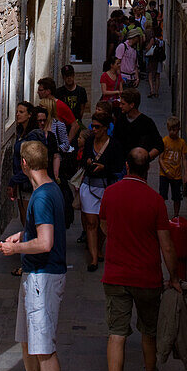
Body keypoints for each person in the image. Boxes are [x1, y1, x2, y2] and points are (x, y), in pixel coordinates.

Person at [99, 148, 181, 371]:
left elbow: (104, 226)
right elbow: (166, 245)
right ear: (149, 169)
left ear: (126, 166)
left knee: (116, 334)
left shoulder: (110, 194)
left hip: (115, 274)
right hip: (147, 277)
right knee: (148, 331)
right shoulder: (155, 200)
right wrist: (174, 277)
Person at [0, 140, 67, 371]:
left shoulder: (40, 198)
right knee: (28, 340)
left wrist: (15, 250)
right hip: (36, 277)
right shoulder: (50, 189)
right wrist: (22, 234)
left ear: (24, 164)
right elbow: (42, 230)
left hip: (43, 278)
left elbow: (45, 242)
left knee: (44, 348)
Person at [79, 111, 124, 272]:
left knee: (103, 223)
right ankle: (93, 258)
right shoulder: (90, 140)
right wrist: (88, 161)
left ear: (105, 128)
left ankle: (98, 248)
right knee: (91, 223)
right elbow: (83, 160)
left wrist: (105, 167)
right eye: (93, 126)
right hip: (89, 186)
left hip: (106, 187)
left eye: (97, 127)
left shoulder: (114, 145)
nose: (94, 129)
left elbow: (119, 167)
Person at [8, 102, 43, 275]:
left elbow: (31, 163)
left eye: (21, 112)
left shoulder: (32, 135)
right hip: (23, 185)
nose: (17, 114)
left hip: (28, 185)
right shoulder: (22, 133)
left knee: (30, 224)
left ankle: (29, 263)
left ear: (30, 114)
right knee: (26, 222)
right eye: (16, 111)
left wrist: (13, 181)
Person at [113, 90, 165, 162]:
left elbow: (159, 145)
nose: (120, 106)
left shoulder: (146, 122)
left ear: (132, 105)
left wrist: (146, 158)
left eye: (123, 104)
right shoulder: (120, 120)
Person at [159, 117, 187, 219]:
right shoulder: (164, 141)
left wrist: (185, 174)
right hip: (164, 174)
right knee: (162, 196)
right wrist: (166, 171)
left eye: (174, 130)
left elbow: (184, 159)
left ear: (178, 129)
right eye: (171, 130)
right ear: (168, 129)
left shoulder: (182, 143)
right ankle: (162, 215)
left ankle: (176, 215)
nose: (173, 132)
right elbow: (160, 159)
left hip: (177, 174)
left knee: (177, 197)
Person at [58, 64, 88, 141]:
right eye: (66, 76)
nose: (69, 78)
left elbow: (82, 109)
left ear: (74, 75)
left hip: (76, 123)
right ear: (63, 77)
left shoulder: (81, 91)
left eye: (70, 75)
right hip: (63, 125)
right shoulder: (59, 92)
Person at [34, 104, 61, 181]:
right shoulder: (31, 136)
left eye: (44, 120)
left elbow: (55, 155)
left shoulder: (50, 136)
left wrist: (56, 175)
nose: (42, 123)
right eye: (40, 121)